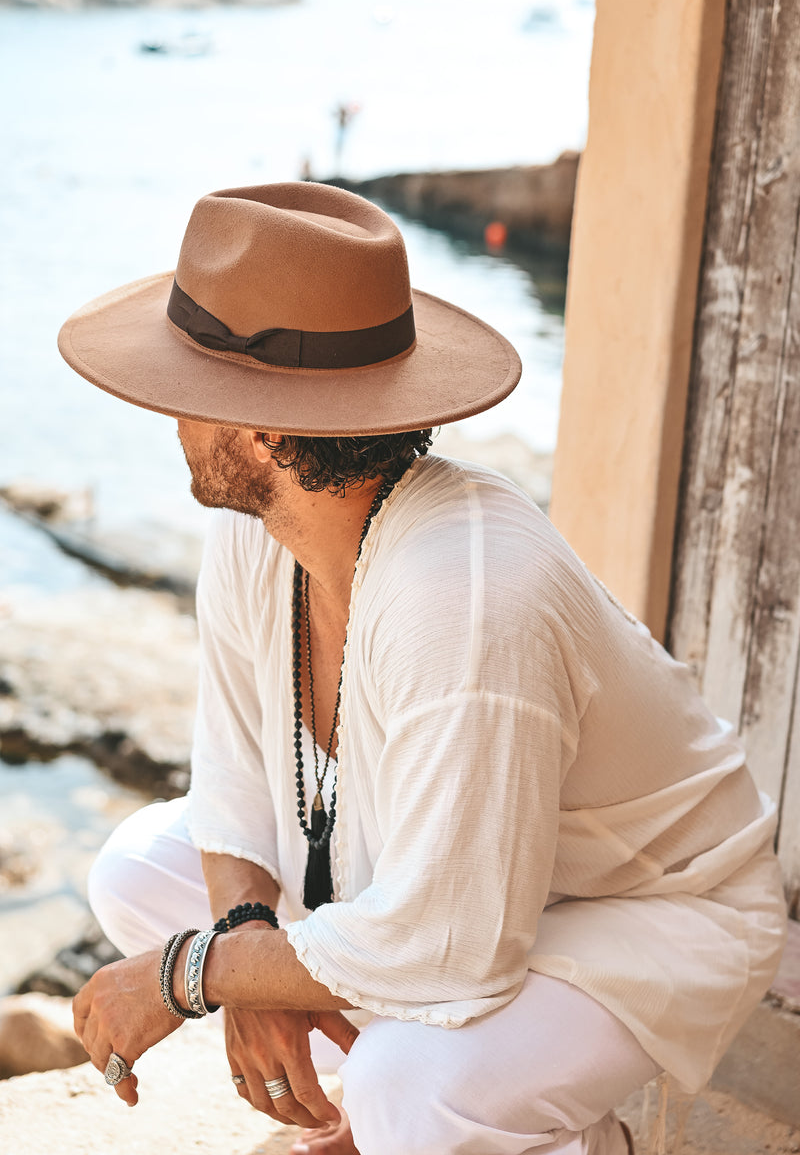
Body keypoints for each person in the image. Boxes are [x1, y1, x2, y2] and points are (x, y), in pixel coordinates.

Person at [60, 182, 787, 1155]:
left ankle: (535, 1130)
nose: (170, 418)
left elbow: (450, 945)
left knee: (406, 1083)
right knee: (136, 873)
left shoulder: (464, 595)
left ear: (263, 431)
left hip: (644, 909)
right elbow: (235, 783)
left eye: (187, 392)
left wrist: (190, 974)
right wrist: (240, 939)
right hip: (451, 878)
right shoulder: (257, 534)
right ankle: (432, 1104)